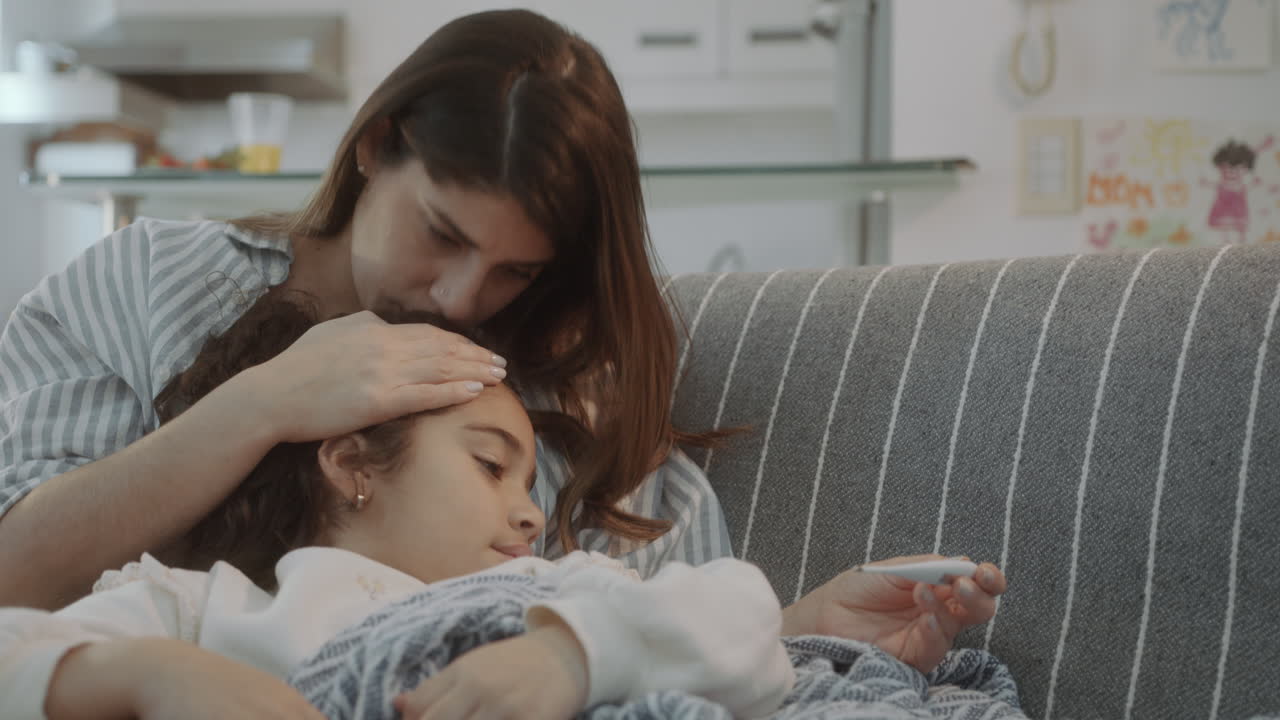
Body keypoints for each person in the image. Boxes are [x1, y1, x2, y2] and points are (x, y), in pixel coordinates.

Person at [0, 7, 999, 655]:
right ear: (377, 147)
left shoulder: (560, 399)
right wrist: (260, 406)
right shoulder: (148, 285)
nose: (460, 298)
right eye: (442, 233)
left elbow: (664, 644)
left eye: (516, 269)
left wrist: (808, 630)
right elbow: (14, 584)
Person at [0, 293, 1006, 720]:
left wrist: (572, 658)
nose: (530, 517)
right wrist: (152, 672)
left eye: (531, 489)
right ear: (351, 462)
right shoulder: (201, 608)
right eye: (491, 467)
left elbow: (729, 607)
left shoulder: (557, 594)